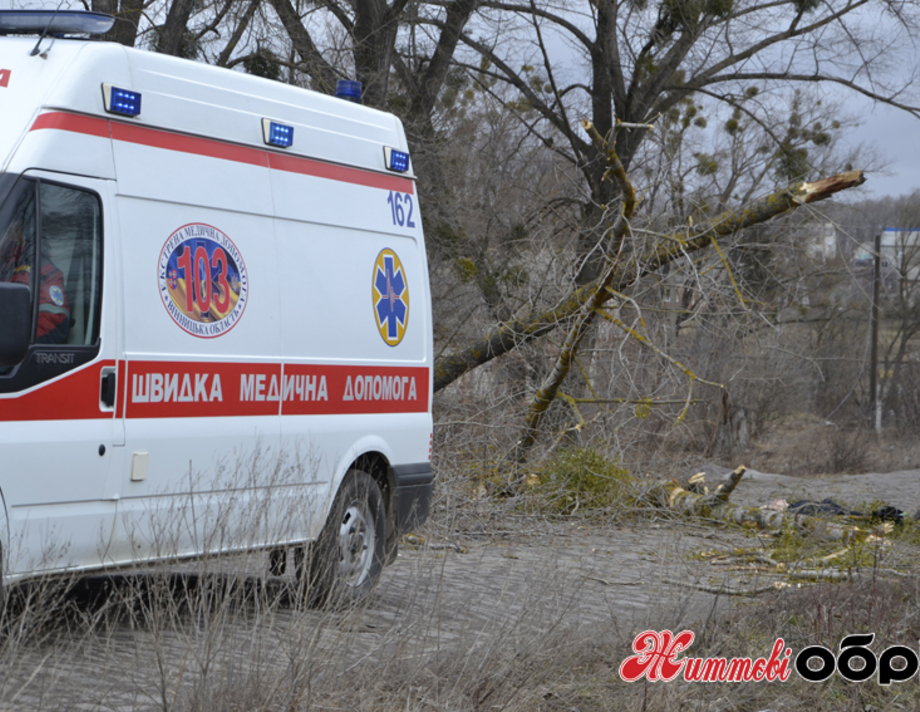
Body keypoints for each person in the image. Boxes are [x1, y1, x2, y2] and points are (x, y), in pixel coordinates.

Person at [0, 219, 70, 345]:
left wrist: (12, 342)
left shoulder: (45, 273)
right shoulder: (7, 265)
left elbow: (56, 322)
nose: (9, 236)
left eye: (13, 231)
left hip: (16, 355)